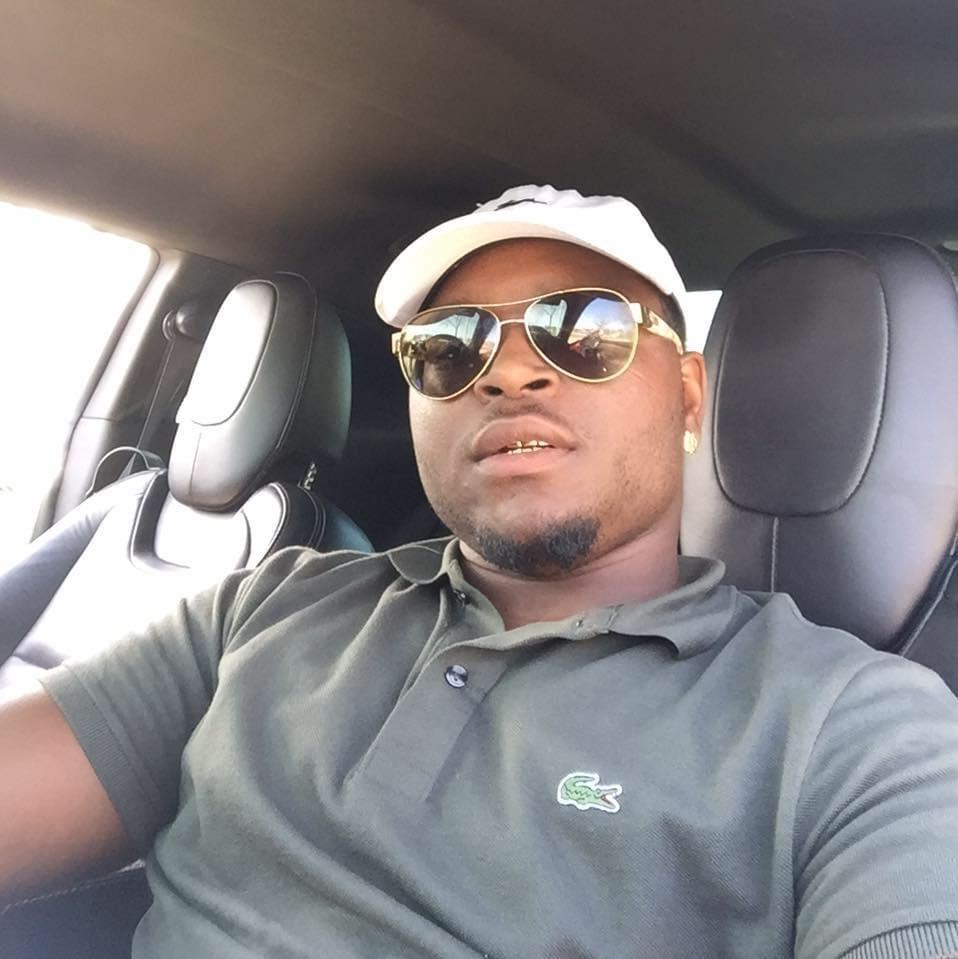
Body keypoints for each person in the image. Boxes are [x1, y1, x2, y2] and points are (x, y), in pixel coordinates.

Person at [2, 184, 958, 958]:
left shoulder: (855, 733)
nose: (506, 373)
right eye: (449, 346)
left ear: (687, 395)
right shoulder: (266, 606)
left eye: (583, 331)